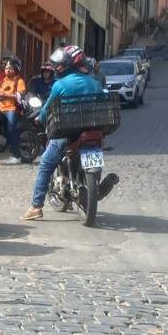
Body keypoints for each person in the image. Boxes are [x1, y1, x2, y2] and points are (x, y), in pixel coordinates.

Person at [21, 45, 118, 221]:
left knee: (45, 165)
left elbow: (48, 108)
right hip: (92, 131)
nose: (57, 68)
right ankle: (94, 187)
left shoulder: (60, 85)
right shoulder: (94, 83)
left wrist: (39, 119)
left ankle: (36, 206)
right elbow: (103, 102)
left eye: (60, 65)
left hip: (67, 133)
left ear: (69, 66)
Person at [0, 56, 26, 164]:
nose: (7, 70)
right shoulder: (1, 83)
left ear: (16, 70)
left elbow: (21, 95)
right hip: (0, 110)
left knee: (11, 130)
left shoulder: (19, 81)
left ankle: (16, 156)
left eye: (10, 68)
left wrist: (6, 96)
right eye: (6, 68)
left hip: (12, 109)